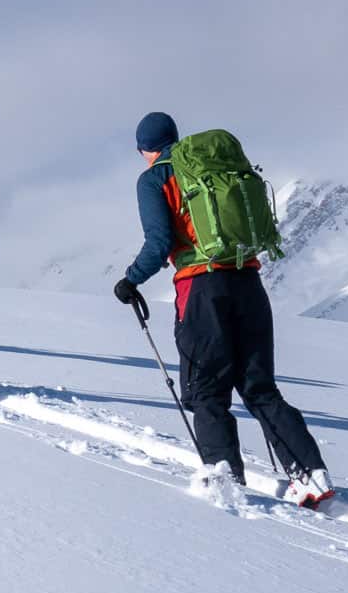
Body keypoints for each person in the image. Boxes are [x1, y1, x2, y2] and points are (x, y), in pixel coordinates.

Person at [113, 111, 334, 506]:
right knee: (259, 387)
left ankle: (226, 482)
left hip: (202, 290)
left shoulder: (155, 179)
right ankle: (310, 473)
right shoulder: (211, 170)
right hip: (248, 281)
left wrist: (130, 280)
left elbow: (160, 241)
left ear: (143, 149)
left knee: (207, 392)